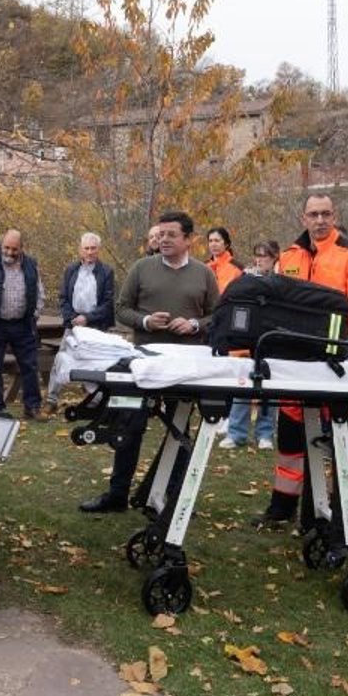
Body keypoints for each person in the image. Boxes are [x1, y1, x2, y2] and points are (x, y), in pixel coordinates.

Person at [80, 211, 219, 513]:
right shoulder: (142, 268)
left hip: (184, 367)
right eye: (161, 234)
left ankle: (166, 497)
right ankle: (117, 495)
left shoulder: (204, 273)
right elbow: (121, 309)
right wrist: (145, 321)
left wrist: (195, 325)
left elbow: (217, 317)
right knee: (129, 427)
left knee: (179, 430)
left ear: (188, 240)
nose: (164, 240)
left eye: (172, 235)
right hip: (143, 363)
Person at [254, 194, 348, 526]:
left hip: (338, 364)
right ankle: (282, 507)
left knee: (343, 439)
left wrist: (346, 355)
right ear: (302, 218)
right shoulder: (290, 256)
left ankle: (343, 507)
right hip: (295, 362)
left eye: (325, 214)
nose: (320, 220)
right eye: (313, 214)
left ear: (334, 215)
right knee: (291, 439)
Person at [0, 229, 46, 420]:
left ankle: (32, 407)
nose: (9, 252)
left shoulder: (31, 265)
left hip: (23, 324)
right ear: (1, 246)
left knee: (30, 365)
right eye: (6, 247)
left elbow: (40, 293)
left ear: (21, 248)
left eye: (14, 249)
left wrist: (35, 314)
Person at [220, 239, 281, 450]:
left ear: (274, 258)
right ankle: (236, 433)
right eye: (258, 255)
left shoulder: (282, 281)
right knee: (242, 383)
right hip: (246, 337)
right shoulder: (245, 278)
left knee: (269, 387)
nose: (260, 259)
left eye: (265, 255)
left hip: (272, 338)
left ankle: (265, 434)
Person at [45, 232, 116, 411]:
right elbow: (63, 298)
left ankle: (96, 400)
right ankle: (51, 400)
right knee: (60, 359)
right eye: (86, 248)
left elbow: (108, 302)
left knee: (96, 364)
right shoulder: (71, 270)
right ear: (80, 250)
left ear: (98, 250)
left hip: (96, 325)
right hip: (73, 324)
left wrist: (88, 318)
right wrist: (72, 318)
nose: (90, 252)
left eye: (93, 248)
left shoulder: (106, 271)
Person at [206, 226, 244, 294]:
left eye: (217, 241)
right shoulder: (203, 267)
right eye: (210, 241)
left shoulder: (237, 268)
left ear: (226, 244)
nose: (213, 244)